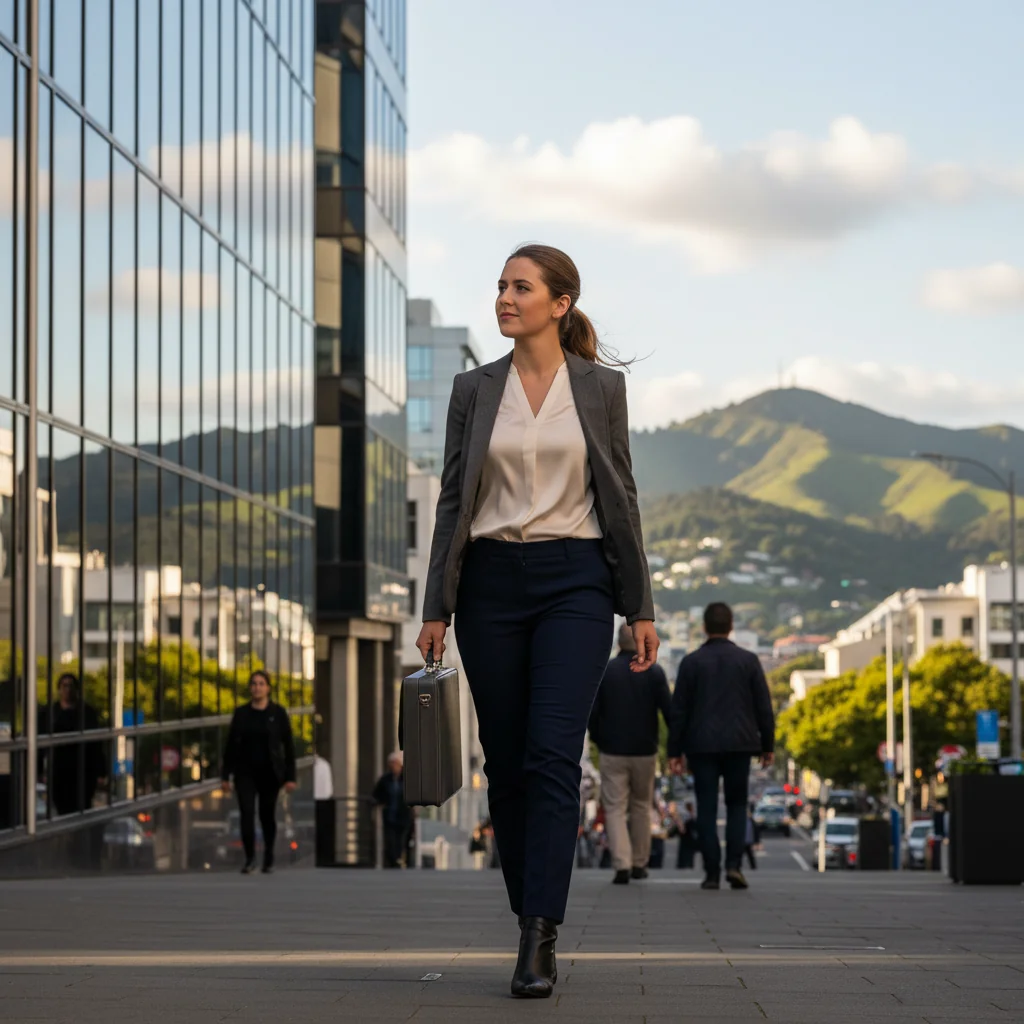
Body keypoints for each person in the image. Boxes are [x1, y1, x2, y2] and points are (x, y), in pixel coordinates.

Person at [416, 243, 658, 999]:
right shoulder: (472, 388)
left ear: (559, 303)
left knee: (553, 757)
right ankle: (530, 904)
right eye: (500, 286)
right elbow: (455, 499)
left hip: (577, 584)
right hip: (489, 586)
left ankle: (538, 934)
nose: (504, 298)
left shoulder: (600, 387)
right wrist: (436, 606)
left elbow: (621, 494)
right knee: (509, 765)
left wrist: (640, 604)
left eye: (521, 287)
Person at [667, 602, 774, 891]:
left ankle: (712, 872)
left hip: (701, 746)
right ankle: (734, 866)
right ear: (731, 626)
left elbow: (679, 712)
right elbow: (764, 706)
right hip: (740, 745)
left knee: (706, 808)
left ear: (704, 627)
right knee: (738, 805)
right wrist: (768, 744)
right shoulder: (749, 661)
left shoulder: (691, 662)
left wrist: (673, 752)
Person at [589, 623, 671, 884]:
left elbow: (592, 713)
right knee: (641, 806)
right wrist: (675, 748)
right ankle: (639, 863)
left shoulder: (605, 672)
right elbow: (669, 712)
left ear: (616, 643)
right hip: (645, 750)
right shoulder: (654, 672)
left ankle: (621, 864)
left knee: (614, 807)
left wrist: (600, 741)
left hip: (612, 750)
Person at [221, 670, 297, 874]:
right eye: (254, 684)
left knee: (267, 815)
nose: (257, 687)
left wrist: (290, 777)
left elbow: (288, 746)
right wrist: (225, 775)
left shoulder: (277, 713)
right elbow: (230, 746)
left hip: (270, 773)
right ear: (250, 688)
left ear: (268, 688)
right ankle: (250, 858)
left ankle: (269, 857)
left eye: (261, 684)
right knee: (246, 814)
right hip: (245, 772)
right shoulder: (241, 713)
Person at [42, 674, 107, 816]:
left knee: (82, 810)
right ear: (59, 689)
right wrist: (40, 770)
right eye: (64, 686)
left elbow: (96, 743)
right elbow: (41, 742)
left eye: (71, 686)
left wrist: (100, 772)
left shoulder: (87, 713)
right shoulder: (51, 712)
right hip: (59, 771)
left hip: (83, 771)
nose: (67, 689)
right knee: (62, 809)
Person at [372, 752, 414, 868]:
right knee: (390, 840)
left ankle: (401, 859)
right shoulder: (386, 779)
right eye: (391, 764)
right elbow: (377, 794)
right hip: (390, 815)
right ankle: (393, 862)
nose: (393, 766)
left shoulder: (408, 778)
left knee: (402, 840)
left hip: (404, 815)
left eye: (395, 763)